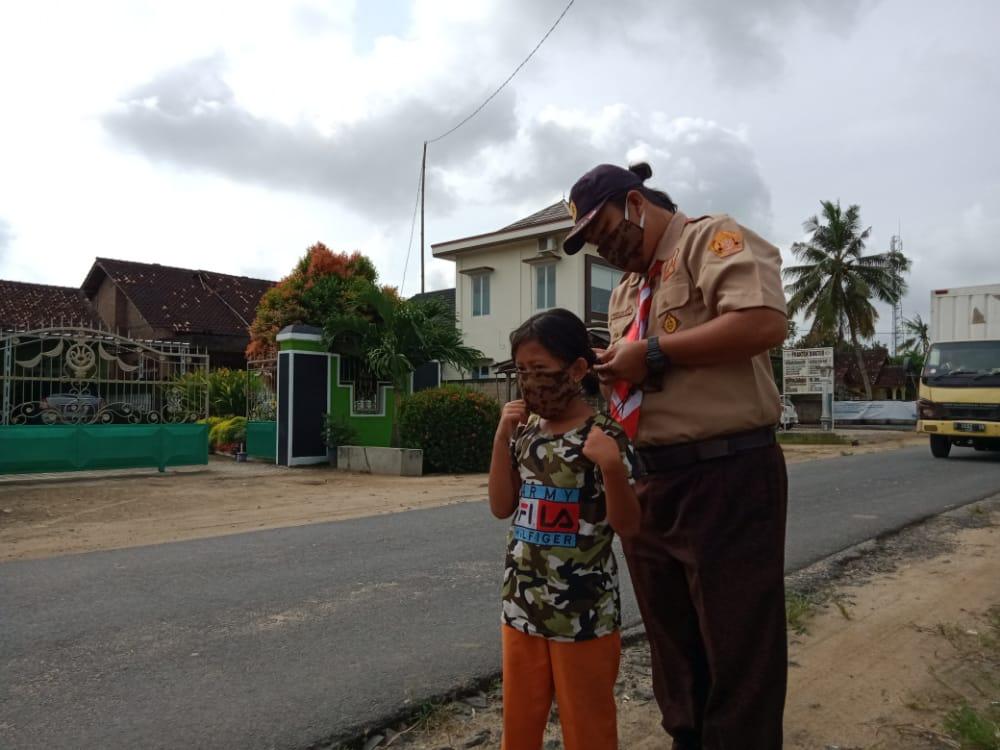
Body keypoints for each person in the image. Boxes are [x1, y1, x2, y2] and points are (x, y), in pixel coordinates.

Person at [561, 162, 790, 750]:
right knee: (673, 647)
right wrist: (612, 368)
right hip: (652, 483)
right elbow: (640, 374)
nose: (607, 249)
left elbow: (763, 322)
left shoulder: (709, 241)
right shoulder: (626, 291)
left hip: (728, 473)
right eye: (594, 244)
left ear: (636, 204)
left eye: (606, 231)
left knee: (738, 644)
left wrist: (654, 353)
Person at [488, 308, 640, 750]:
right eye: (522, 371)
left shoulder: (605, 436)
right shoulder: (524, 433)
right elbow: (501, 506)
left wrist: (611, 466)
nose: (530, 381)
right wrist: (500, 438)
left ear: (576, 369)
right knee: (519, 725)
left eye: (540, 369)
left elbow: (629, 525)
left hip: (583, 616)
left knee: (588, 726)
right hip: (521, 608)